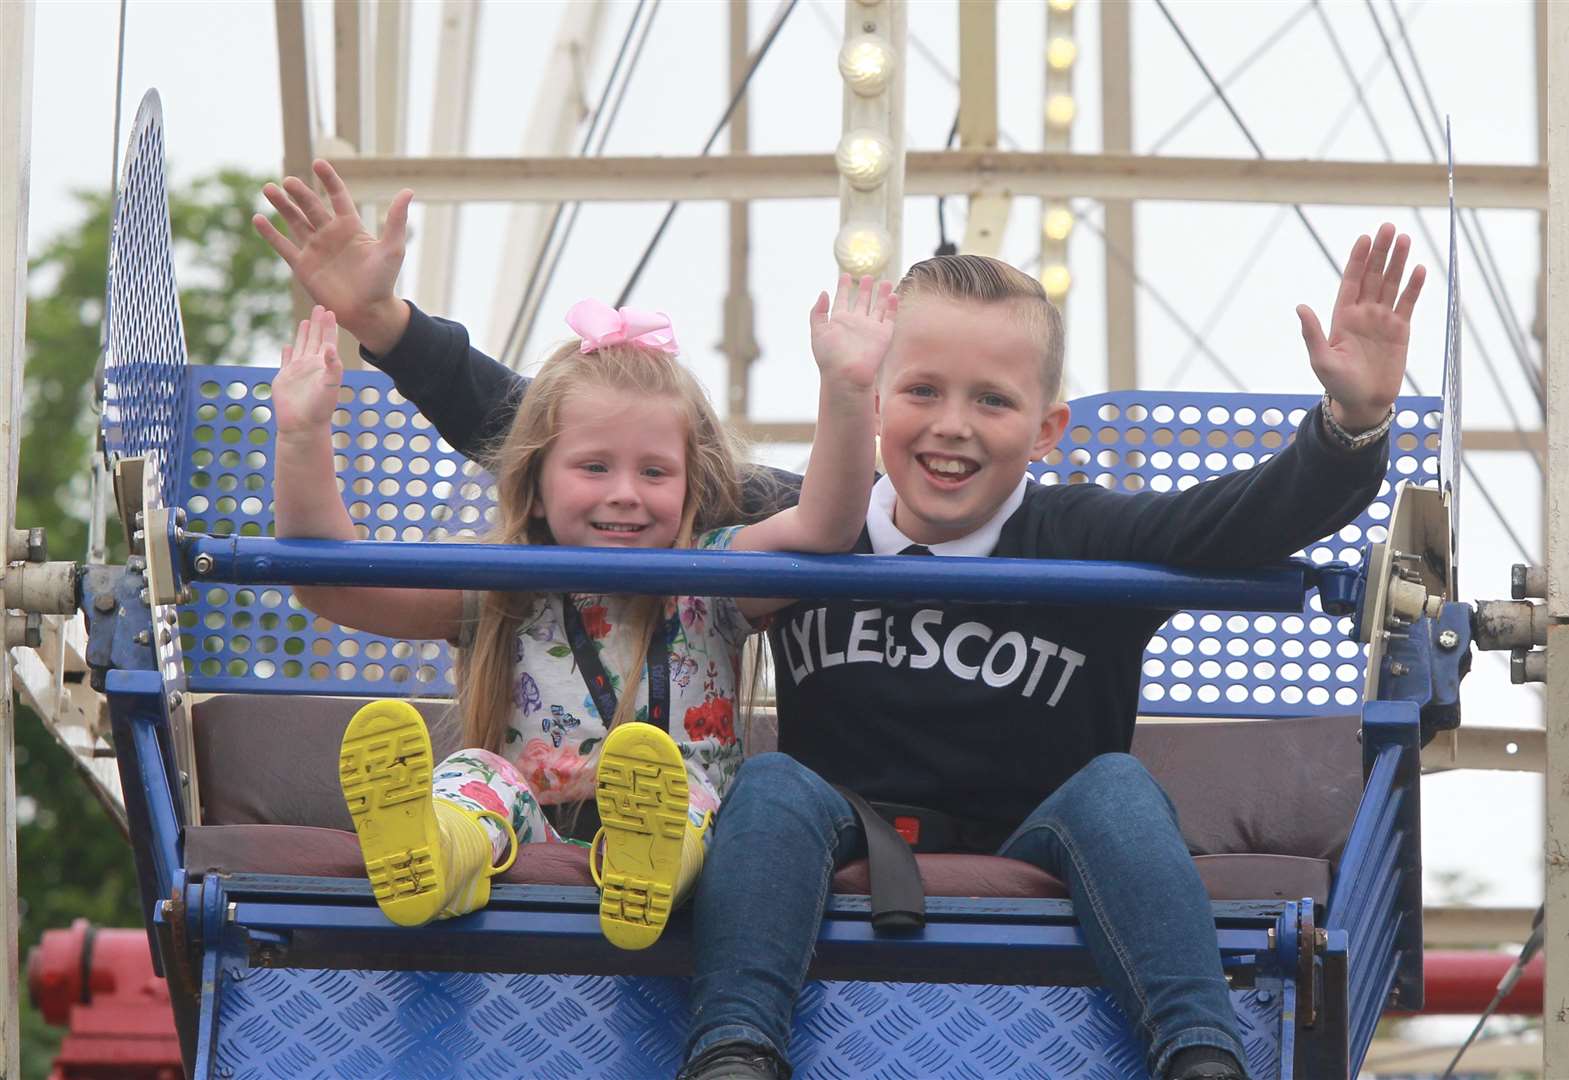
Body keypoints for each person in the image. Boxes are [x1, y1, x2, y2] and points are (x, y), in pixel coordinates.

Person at [257, 160, 1423, 1080]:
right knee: (772, 783)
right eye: (920, 391)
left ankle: (1202, 1051)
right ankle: (734, 1045)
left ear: (1050, 426)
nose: (950, 426)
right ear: (872, 396)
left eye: (992, 401)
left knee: (1122, 789)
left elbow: (1245, 520)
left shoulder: (1082, 534)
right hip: (839, 833)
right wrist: (390, 325)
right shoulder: (795, 521)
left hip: (1034, 835)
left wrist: (1352, 428)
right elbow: (573, 441)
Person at [269, 267, 893, 949]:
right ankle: (439, 851)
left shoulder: (713, 575)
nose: (625, 492)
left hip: (689, 827)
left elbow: (826, 527)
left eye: (654, 472)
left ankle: (655, 863)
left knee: (689, 800)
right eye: (595, 467)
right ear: (535, 485)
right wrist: (303, 438)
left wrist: (848, 390)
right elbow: (335, 586)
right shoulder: (506, 585)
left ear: (691, 487)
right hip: (531, 836)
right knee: (477, 776)